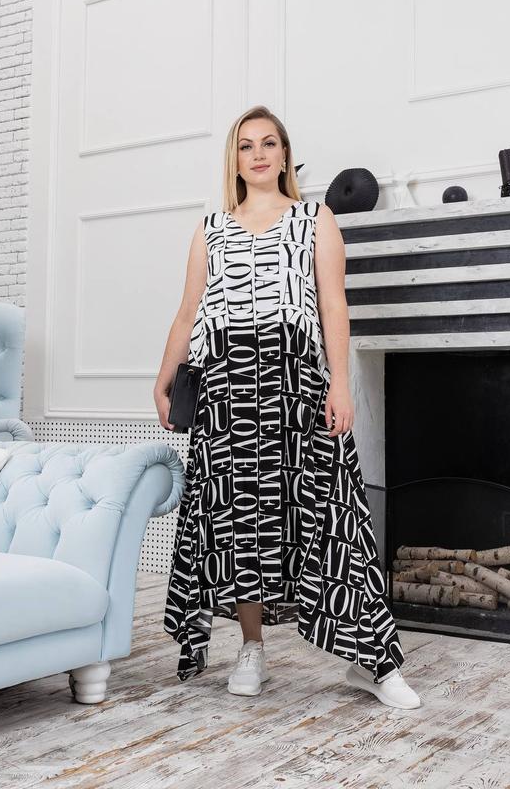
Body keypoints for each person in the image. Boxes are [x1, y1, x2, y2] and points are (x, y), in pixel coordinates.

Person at [155, 105, 420, 710]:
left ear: (283, 154)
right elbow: (188, 310)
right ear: (235, 159)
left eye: (268, 143)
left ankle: (375, 662)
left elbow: (334, 305)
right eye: (246, 145)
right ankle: (251, 647)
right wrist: (164, 378)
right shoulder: (210, 228)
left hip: (296, 386)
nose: (258, 154)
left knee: (335, 516)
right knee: (240, 521)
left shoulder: (314, 219)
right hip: (225, 392)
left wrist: (340, 384)